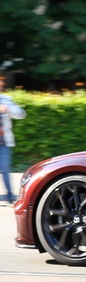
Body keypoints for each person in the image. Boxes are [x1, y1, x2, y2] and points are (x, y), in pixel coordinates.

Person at [0, 75, 26, 204]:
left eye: (1, 85)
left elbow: (21, 114)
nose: (1, 87)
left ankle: (10, 196)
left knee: (5, 168)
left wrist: (7, 109)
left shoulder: (6, 100)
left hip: (3, 141)